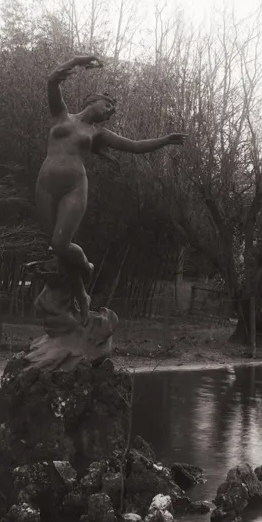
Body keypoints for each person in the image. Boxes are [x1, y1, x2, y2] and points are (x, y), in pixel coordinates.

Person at [35, 53, 186, 321]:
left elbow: (136, 146)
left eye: (111, 111)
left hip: (74, 187)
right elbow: (51, 81)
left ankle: (85, 265)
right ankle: (81, 296)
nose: (109, 113)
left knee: (61, 243)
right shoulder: (60, 115)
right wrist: (78, 60)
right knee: (57, 250)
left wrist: (166, 140)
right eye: (107, 106)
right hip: (45, 185)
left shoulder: (98, 134)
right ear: (92, 101)